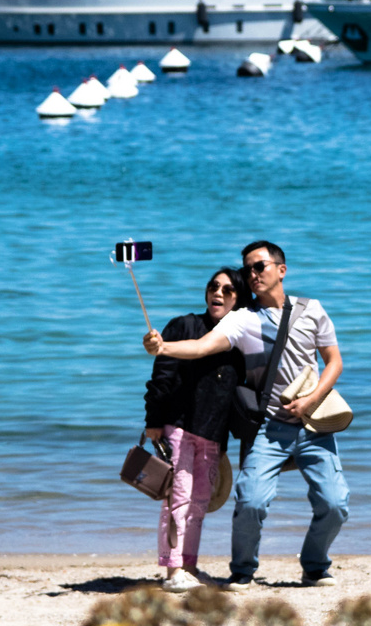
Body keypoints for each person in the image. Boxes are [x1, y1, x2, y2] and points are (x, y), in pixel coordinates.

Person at [144, 239, 347, 590]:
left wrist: (313, 399)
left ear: (281, 270)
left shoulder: (312, 309)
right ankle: (241, 570)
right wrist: (163, 347)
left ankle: (314, 566)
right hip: (270, 427)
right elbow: (201, 346)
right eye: (248, 268)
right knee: (250, 500)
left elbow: (335, 361)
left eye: (260, 266)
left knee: (335, 504)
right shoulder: (243, 320)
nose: (252, 274)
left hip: (314, 423)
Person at [143, 268, 251, 593]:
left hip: (213, 434)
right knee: (177, 499)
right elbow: (161, 375)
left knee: (200, 502)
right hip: (178, 425)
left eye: (228, 290)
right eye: (214, 287)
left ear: (239, 299)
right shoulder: (184, 325)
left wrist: (225, 442)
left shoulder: (239, 339)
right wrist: (152, 421)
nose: (218, 293)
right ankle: (172, 569)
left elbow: (235, 394)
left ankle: (189, 565)